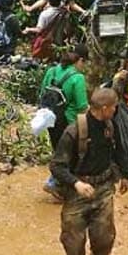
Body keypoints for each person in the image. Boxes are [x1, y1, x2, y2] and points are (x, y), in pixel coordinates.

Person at [50, 88, 128, 255]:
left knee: (104, 236)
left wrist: (124, 173)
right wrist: (76, 184)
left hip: (103, 188)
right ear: (104, 108)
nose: (115, 110)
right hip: (78, 193)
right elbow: (56, 166)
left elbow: (116, 151)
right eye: (113, 107)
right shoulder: (74, 132)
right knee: (73, 241)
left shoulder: (109, 126)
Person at [40, 45, 91, 199]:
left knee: (58, 152)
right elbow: (82, 106)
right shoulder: (78, 78)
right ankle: (54, 183)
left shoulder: (52, 71)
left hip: (49, 119)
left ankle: (59, 184)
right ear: (80, 60)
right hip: (68, 123)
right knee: (72, 155)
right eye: (85, 63)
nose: (84, 67)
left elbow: (42, 93)